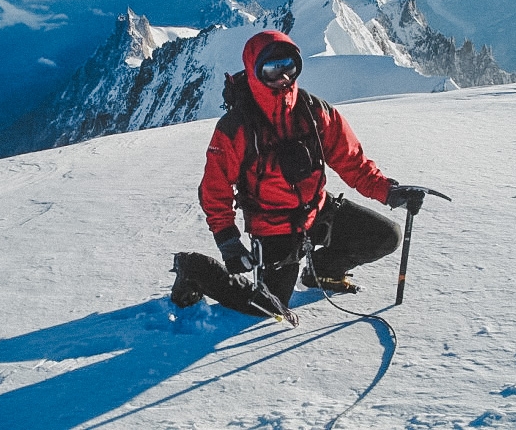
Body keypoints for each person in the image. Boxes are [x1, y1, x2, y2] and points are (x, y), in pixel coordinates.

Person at [171, 30, 423, 320]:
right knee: (269, 308)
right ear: (255, 73)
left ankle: (323, 271)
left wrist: (389, 193)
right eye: (271, 70)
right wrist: (227, 240)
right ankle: (195, 269)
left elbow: (352, 162)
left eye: (289, 68)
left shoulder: (315, 112)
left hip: (317, 210)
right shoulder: (236, 127)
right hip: (273, 226)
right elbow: (215, 189)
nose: (283, 79)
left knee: (385, 236)